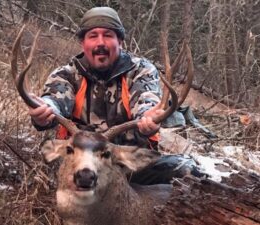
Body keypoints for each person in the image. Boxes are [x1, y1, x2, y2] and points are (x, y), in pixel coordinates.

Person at [29, 7, 203, 184]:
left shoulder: (140, 70)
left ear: (120, 41)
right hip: (82, 167)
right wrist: (44, 111)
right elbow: (55, 100)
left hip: (128, 165)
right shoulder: (66, 75)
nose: (100, 43)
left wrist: (149, 117)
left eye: (108, 35)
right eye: (93, 36)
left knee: (187, 170)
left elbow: (146, 100)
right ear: (83, 42)